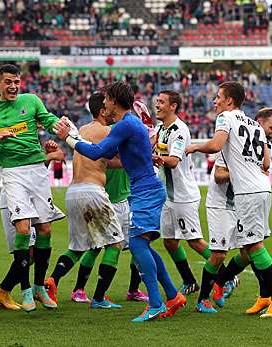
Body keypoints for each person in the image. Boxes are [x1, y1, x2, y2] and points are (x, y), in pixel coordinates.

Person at [55, 81, 186, 322]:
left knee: (137, 245)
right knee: (141, 245)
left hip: (146, 190)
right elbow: (109, 152)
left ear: (114, 100)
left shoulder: (125, 124)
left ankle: (156, 304)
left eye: (106, 99)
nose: (103, 103)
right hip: (143, 189)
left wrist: (69, 138)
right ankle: (172, 295)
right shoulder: (127, 124)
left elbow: (96, 153)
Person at [186, 82, 272, 318]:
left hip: (248, 193)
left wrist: (193, 147)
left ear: (229, 101)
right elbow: (265, 164)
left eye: (218, 97)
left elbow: (215, 145)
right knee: (249, 247)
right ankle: (261, 295)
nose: (215, 101)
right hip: (262, 189)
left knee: (253, 246)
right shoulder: (254, 125)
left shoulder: (225, 119)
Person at [46, 92, 148, 305]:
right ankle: (100, 297)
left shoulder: (82, 130)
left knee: (78, 247)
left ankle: (53, 280)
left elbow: (106, 160)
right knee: (115, 244)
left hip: (73, 192)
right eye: (109, 106)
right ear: (103, 110)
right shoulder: (109, 130)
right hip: (93, 191)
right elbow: (127, 154)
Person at [0, 64, 64, 312]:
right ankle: (25, 289)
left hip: (37, 170)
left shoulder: (31, 101)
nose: (13, 86)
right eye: (8, 82)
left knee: (45, 229)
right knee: (24, 229)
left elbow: (47, 120)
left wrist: (60, 126)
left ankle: (39, 287)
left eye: (16, 81)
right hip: (13, 173)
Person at [153, 90, 211, 296]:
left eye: (161, 102)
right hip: (168, 197)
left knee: (194, 241)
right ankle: (189, 281)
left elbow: (173, 161)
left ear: (173, 106)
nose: (157, 105)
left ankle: (226, 276)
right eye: (156, 102)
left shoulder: (179, 129)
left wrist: (152, 157)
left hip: (183, 196)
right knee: (169, 241)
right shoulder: (161, 128)